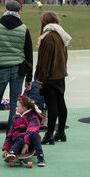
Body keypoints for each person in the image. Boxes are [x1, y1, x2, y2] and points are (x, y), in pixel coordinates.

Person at [0, 1, 33, 149]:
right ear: (19, 12)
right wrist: (29, 78)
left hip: (1, 69)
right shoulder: (24, 29)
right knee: (14, 105)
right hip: (18, 71)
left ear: (5, 10)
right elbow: (29, 56)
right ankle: (12, 139)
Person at [35, 12, 71, 145]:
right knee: (61, 102)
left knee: (52, 105)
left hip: (50, 76)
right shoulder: (61, 35)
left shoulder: (48, 37)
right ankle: (60, 131)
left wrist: (40, 79)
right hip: (60, 74)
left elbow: (44, 61)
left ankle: (49, 133)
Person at [1, 95, 45, 167]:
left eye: (17, 106)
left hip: (30, 143)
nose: (15, 108)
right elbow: (10, 133)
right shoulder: (15, 118)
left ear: (24, 108)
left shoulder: (33, 116)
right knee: (19, 138)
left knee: (34, 134)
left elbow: (31, 130)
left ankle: (40, 156)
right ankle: (12, 153)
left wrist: (26, 143)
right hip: (19, 143)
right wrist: (6, 148)